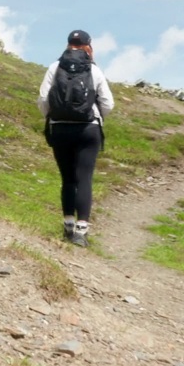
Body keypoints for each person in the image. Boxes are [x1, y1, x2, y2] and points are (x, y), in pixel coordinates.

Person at [37, 29, 115, 247]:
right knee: (84, 178)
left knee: (68, 179)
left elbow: (43, 98)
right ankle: (81, 232)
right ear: (88, 46)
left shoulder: (55, 67)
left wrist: (53, 118)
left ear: (68, 44)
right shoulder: (93, 69)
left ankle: (68, 226)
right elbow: (108, 103)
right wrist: (97, 118)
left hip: (59, 128)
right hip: (88, 130)